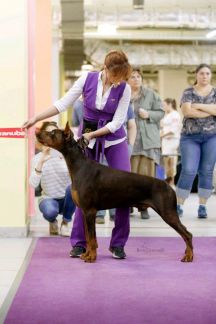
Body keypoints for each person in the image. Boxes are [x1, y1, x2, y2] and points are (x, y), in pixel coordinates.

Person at [23, 50, 132, 259]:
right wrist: (35, 118)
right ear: (106, 69)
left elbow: (118, 122)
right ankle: (80, 243)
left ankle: (118, 243)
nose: (119, 81)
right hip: (86, 140)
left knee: (125, 190)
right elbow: (62, 104)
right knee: (83, 191)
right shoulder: (87, 79)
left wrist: (92, 135)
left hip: (114, 139)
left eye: (122, 77)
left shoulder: (124, 89)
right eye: (115, 76)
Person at [71, 99, 136, 224]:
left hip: (116, 143)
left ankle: (114, 213)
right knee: (92, 183)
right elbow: (76, 125)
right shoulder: (79, 104)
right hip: (90, 145)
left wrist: (130, 146)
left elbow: (131, 125)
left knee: (118, 182)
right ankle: (98, 213)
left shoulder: (123, 99)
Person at [176, 63, 216, 218]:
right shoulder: (188, 92)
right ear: (196, 75)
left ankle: (202, 206)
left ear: (210, 75)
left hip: (212, 137)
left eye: (207, 73)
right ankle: (179, 204)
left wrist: (198, 106)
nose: (204, 76)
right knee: (188, 170)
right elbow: (187, 112)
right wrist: (210, 110)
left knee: (206, 171)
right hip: (190, 137)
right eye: (201, 73)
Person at [128, 68, 164, 219]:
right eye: (132, 77)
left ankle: (144, 207)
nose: (136, 79)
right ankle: (127, 205)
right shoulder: (123, 95)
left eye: (138, 76)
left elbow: (161, 112)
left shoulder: (151, 94)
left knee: (147, 176)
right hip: (129, 141)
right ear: (127, 80)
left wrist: (149, 114)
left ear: (142, 79)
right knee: (128, 175)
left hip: (148, 141)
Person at [29, 121, 76, 236]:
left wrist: (66, 161)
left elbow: (77, 180)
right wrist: (41, 161)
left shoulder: (67, 155)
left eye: (54, 133)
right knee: (50, 211)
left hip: (67, 199)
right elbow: (33, 184)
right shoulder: (37, 158)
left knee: (73, 188)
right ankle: (52, 221)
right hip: (49, 199)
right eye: (48, 133)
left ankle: (65, 222)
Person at [160, 98, 182, 187]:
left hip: (172, 141)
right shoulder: (167, 115)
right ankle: (167, 182)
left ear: (170, 104)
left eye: (164, 105)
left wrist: (162, 136)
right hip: (165, 141)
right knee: (166, 162)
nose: (163, 107)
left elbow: (174, 130)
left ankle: (171, 183)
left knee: (171, 161)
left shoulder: (175, 115)